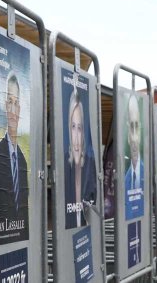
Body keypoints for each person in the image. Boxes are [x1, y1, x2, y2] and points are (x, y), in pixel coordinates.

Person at [0, 72, 29, 245]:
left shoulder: (23, 160)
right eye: (10, 102)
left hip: (19, 237)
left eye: (16, 103)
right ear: (5, 107)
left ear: (19, 109)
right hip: (1, 237)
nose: (13, 109)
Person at [64, 89, 96, 229]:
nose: (76, 138)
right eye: (73, 127)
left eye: (80, 128)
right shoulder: (63, 167)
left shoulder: (90, 164)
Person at [125, 94, 144, 220]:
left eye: (137, 127)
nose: (135, 137)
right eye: (131, 127)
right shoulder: (125, 179)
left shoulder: (147, 174)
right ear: (127, 135)